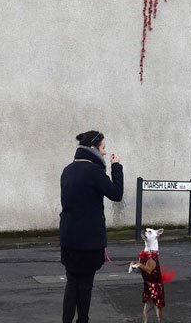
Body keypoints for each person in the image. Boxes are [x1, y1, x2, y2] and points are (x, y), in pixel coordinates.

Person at [60, 130, 123, 323]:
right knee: (85, 284)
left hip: (68, 238)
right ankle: (83, 320)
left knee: (72, 283)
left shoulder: (68, 170)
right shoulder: (94, 172)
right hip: (89, 241)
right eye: (103, 148)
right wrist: (116, 167)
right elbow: (116, 194)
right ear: (94, 148)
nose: (104, 152)